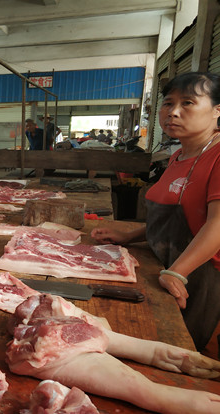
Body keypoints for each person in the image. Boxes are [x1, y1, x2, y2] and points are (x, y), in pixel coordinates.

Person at [91, 72, 220, 351]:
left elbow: (216, 225)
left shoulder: (217, 156)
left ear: (216, 110)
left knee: (178, 352)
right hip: (164, 264)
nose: (173, 112)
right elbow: (173, 219)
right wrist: (130, 236)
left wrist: (178, 273)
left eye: (188, 103)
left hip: (201, 274)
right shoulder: (178, 156)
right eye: (168, 103)